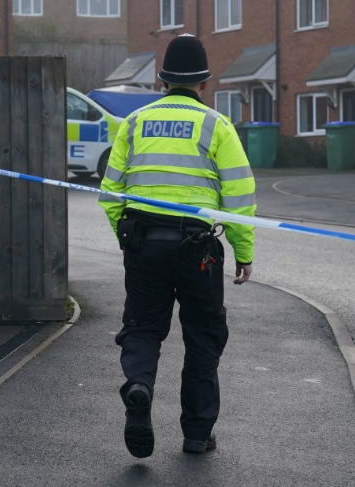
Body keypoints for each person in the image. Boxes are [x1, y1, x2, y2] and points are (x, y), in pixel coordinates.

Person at [98, 34, 256, 459]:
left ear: (162, 80)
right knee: (203, 337)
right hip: (197, 249)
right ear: (204, 83)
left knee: (144, 328)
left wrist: (126, 239)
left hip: (144, 243)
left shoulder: (134, 122)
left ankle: (138, 386)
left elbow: (111, 191)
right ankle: (197, 434)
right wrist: (244, 252)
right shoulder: (216, 125)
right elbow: (240, 196)